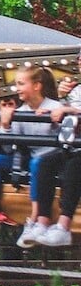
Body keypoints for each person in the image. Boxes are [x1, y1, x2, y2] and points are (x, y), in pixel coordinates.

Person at [0, 68, 62, 246]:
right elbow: (9, 148)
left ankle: (34, 220)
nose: (17, 88)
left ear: (36, 86)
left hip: (52, 160)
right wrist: (5, 125)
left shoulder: (55, 108)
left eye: (21, 84)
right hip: (29, 157)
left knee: (38, 163)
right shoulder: (20, 112)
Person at [27, 51, 81, 247]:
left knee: (74, 166)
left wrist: (67, 109)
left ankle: (63, 225)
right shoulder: (76, 90)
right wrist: (56, 103)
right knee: (45, 162)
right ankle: (42, 221)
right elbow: (65, 111)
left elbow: (71, 111)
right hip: (74, 144)